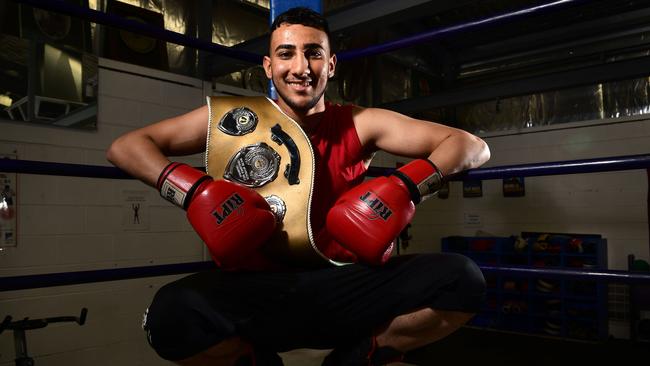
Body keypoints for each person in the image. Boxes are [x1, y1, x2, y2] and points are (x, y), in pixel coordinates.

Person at [107, 7, 490, 366]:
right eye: (287, 54)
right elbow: (126, 148)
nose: (301, 68)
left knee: (463, 279)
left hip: (344, 283)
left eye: (314, 53)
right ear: (268, 66)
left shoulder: (360, 122)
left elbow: (471, 146)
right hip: (259, 291)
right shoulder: (229, 118)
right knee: (167, 317)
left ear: (332, 64)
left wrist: (406, 186)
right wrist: (193, 191)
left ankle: (362, 354)